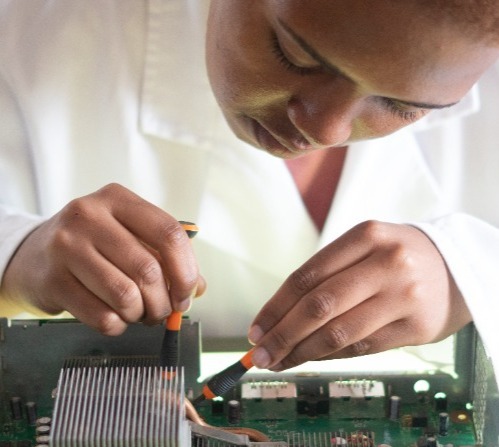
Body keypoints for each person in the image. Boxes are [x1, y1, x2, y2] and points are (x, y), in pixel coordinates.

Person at [0, 0, 498, 371]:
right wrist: (18, 257)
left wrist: (470, 275)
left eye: (404, 105)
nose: (324, 131)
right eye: (294, 56)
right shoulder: (26, 38)